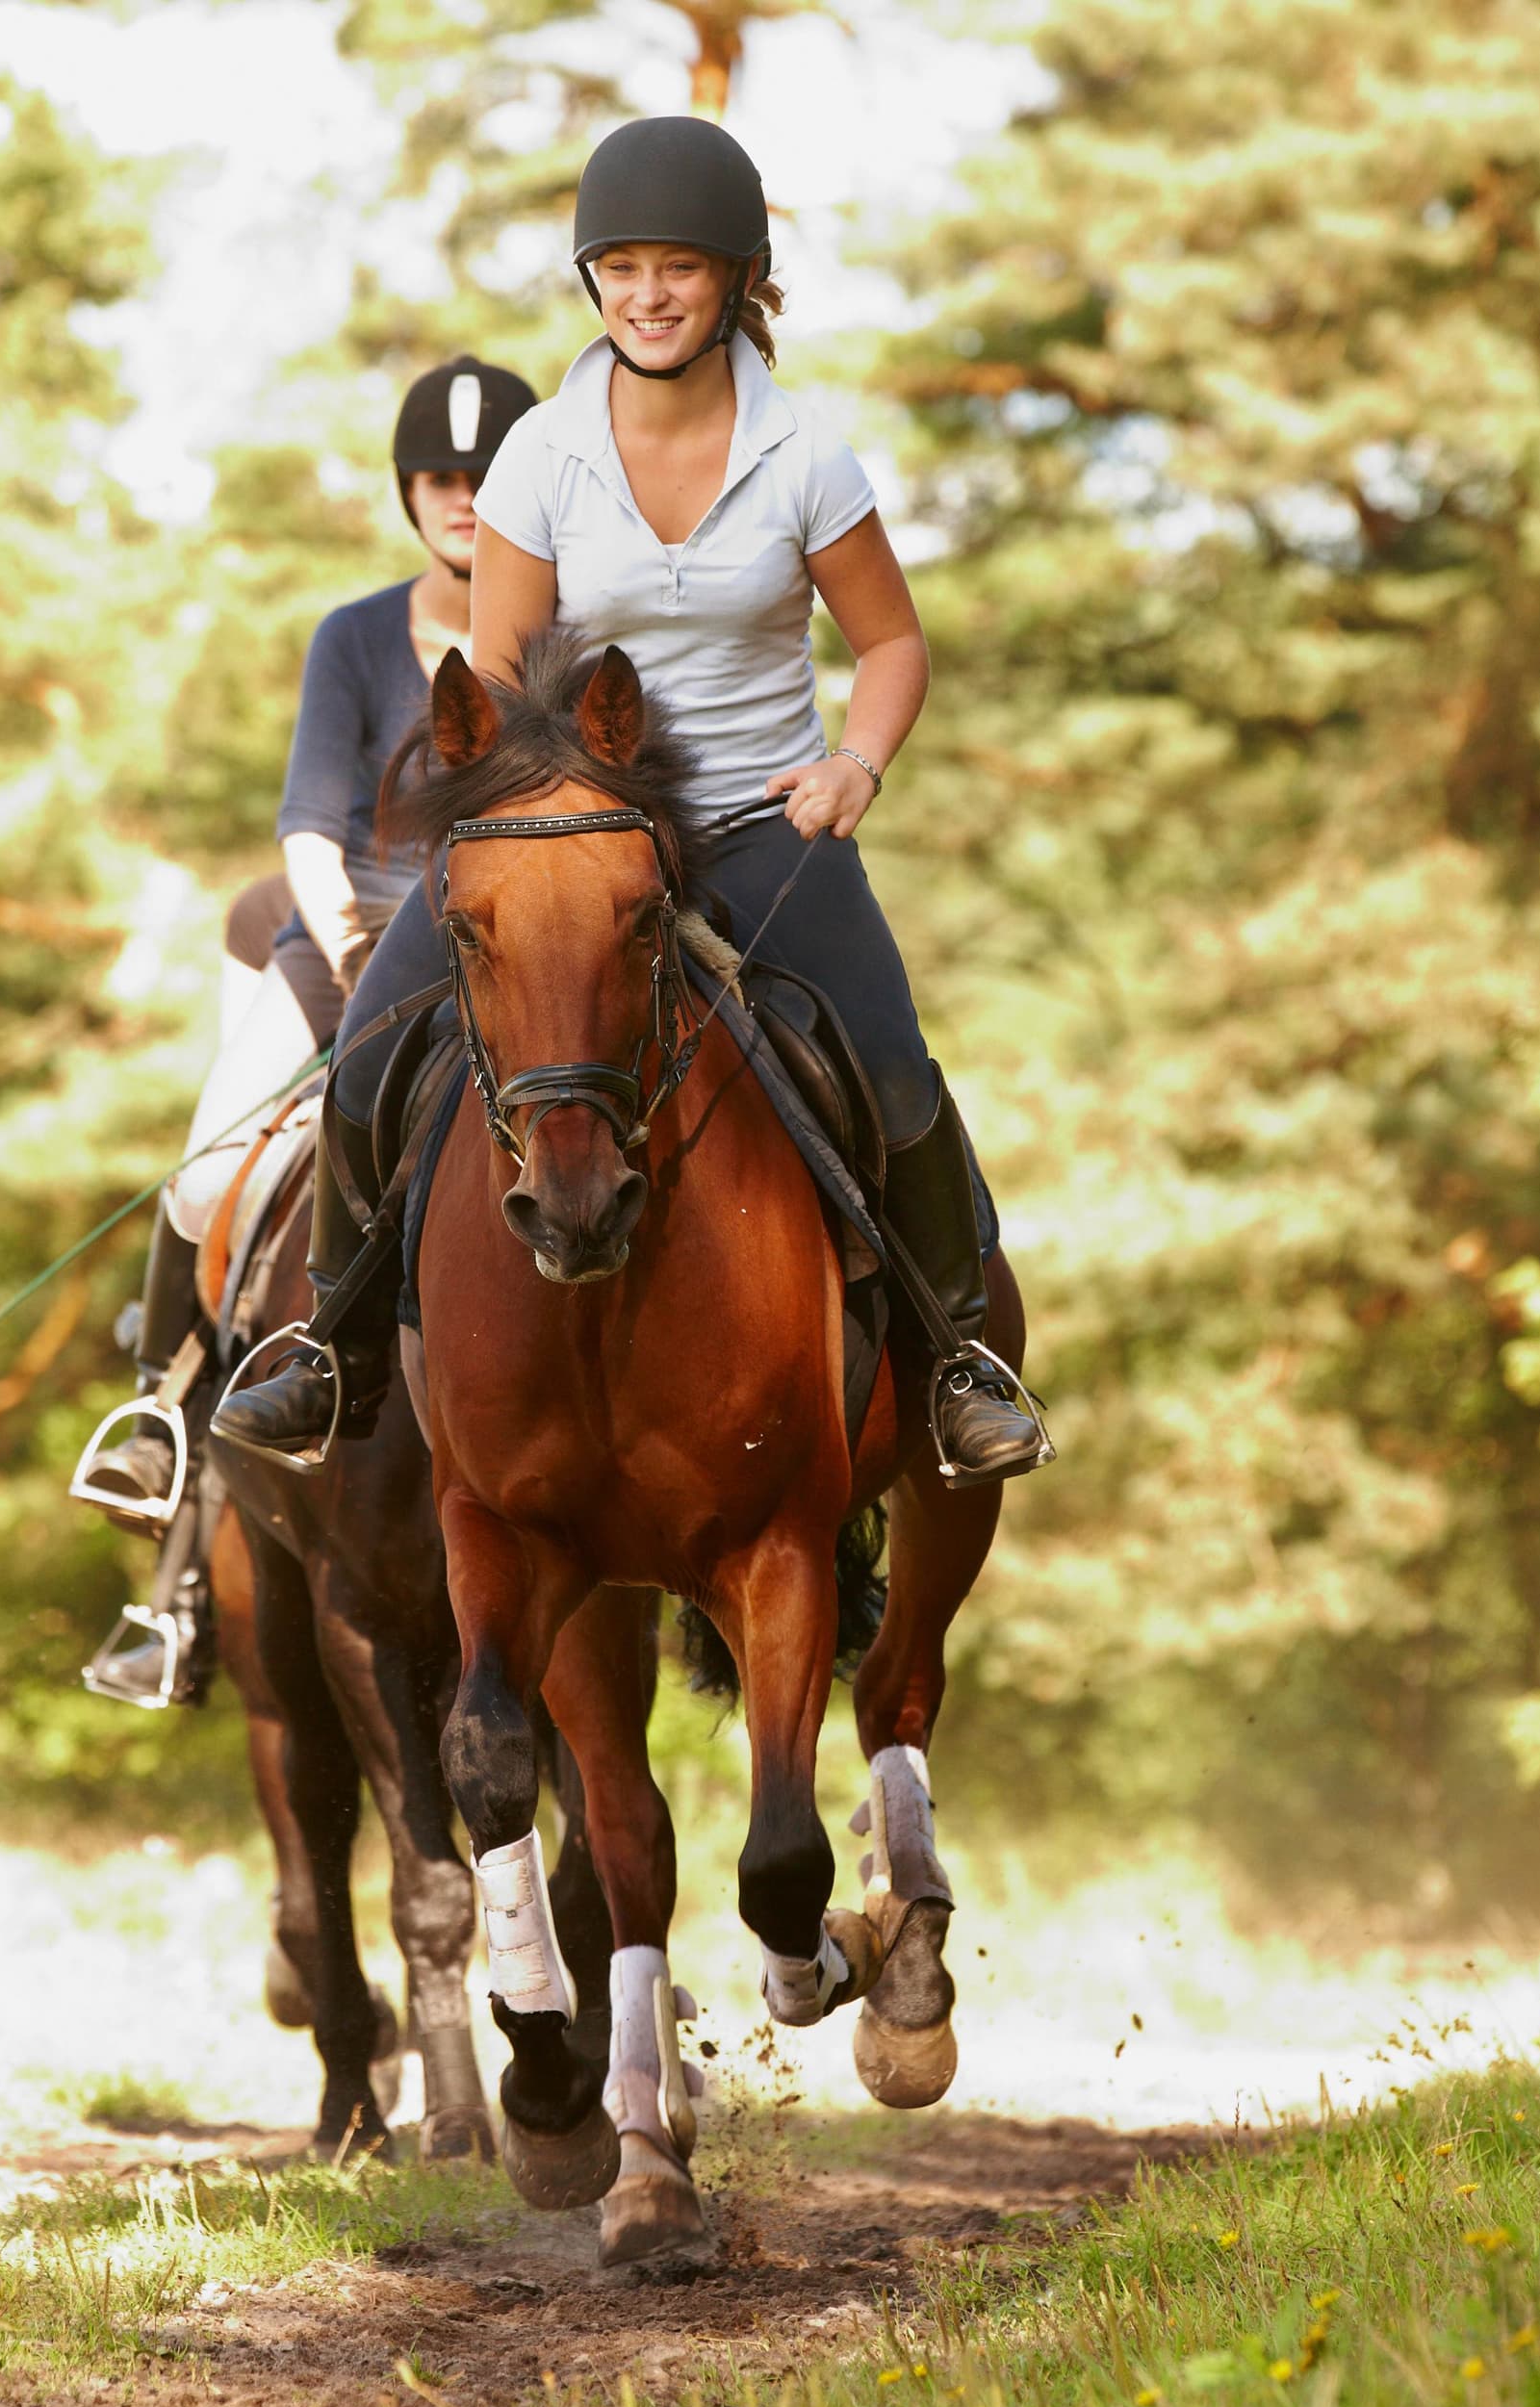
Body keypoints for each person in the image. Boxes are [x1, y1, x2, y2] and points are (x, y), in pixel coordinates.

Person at [212, 115, 1051, 1484]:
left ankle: (958, 1357)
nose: (650, 295)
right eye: (622, 267)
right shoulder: (541, 454)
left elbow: (892, 644)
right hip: (572, 837)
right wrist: (512, 807)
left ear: (737, 281)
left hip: (757, 824)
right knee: (369, 1051)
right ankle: (333, 1351)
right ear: (592, 282)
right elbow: (496, 671)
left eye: (680, 268)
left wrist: (857, 763)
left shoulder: (805, 461)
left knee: (893, 1066)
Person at [72, 354, 545, 1543]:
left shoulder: (564, 639)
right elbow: (307, 826)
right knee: (198, 1179)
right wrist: (344, 944)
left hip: (508, 954)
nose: (463, 497)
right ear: (407, 491)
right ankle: (160, 1420)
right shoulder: (351, 639)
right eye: (439, 476)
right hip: (349, 943)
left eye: (486, 475)